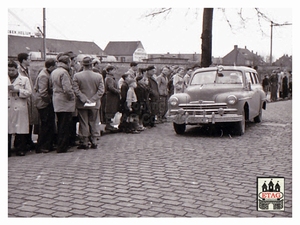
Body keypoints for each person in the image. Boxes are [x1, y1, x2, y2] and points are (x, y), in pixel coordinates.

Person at [73, 56, 105, 149]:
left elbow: (76, 89)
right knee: (94, 121)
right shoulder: (98, 76)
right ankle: (94, 140)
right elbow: (101, 90)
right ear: (91, 65)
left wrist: (84, 98)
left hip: (82, 103)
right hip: (94, 104)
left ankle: (85, 141)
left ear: (83, 65)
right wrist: (93, 99)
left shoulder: (77, 75)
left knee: (84, 122)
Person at [51, 55, 76, 153]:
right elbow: (67, 89)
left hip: (57, 99)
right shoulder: (64, 72)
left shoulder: (55, 71)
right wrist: (72, 97)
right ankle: (63, 146)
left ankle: (60, 145)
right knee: (65, 125)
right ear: (67, 62)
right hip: (65, 101)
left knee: (60, 123)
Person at [8, 60, 32, 157]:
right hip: (8, 106)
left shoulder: (24, 79)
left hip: (19, 105)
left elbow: (29, 92)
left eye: (12, 70)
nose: (10, 72)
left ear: (16, 69)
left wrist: (18, 91)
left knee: (20, 129)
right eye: (8, 70)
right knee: (7, 129)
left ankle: (20, 149)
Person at [34, 58, 57, 154]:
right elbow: (43, 92)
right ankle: (43, 146)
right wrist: (49, 101)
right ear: (51, 66)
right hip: (44, 104)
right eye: (55, 66)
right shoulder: (44, 76)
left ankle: (47, 145)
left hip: (44, 102)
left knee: (48, 124)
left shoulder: (46, 73)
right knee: (45, 125)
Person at [17, 52, 38, 151]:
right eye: (29, 59)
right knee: (23, 121)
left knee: (30, 120)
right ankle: (22, 142)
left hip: (29, 98)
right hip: (22, 98)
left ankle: (28, 140)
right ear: (24, 60)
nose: (30, 61)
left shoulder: (27, 70)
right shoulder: (19, 71)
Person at [104, 65, 120, 132]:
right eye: (113, 70)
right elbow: (110, 87)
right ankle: (108, 125)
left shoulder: (112, 78)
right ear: (109, 71)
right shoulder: (109, 78)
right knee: (109, 110)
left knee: (112, 110)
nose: (115, 71)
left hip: (113, 97)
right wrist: (118, 91)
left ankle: (109, 124)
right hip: (110, 97)